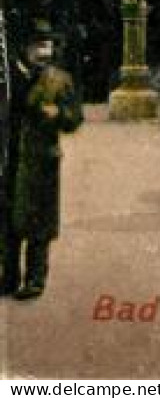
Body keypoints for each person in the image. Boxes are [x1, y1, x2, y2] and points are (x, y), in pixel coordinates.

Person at [3, 24, 82, 299]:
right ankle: (8, 277)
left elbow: (74, 120)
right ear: (25, 49)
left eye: (47, 46)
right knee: (8, 221)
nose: (42, 52)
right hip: (11, 156)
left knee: (39, 223)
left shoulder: (60, 80)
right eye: (37, 46)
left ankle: (35, 280)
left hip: (41, 160)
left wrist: (58, 113)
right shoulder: (10, 77)